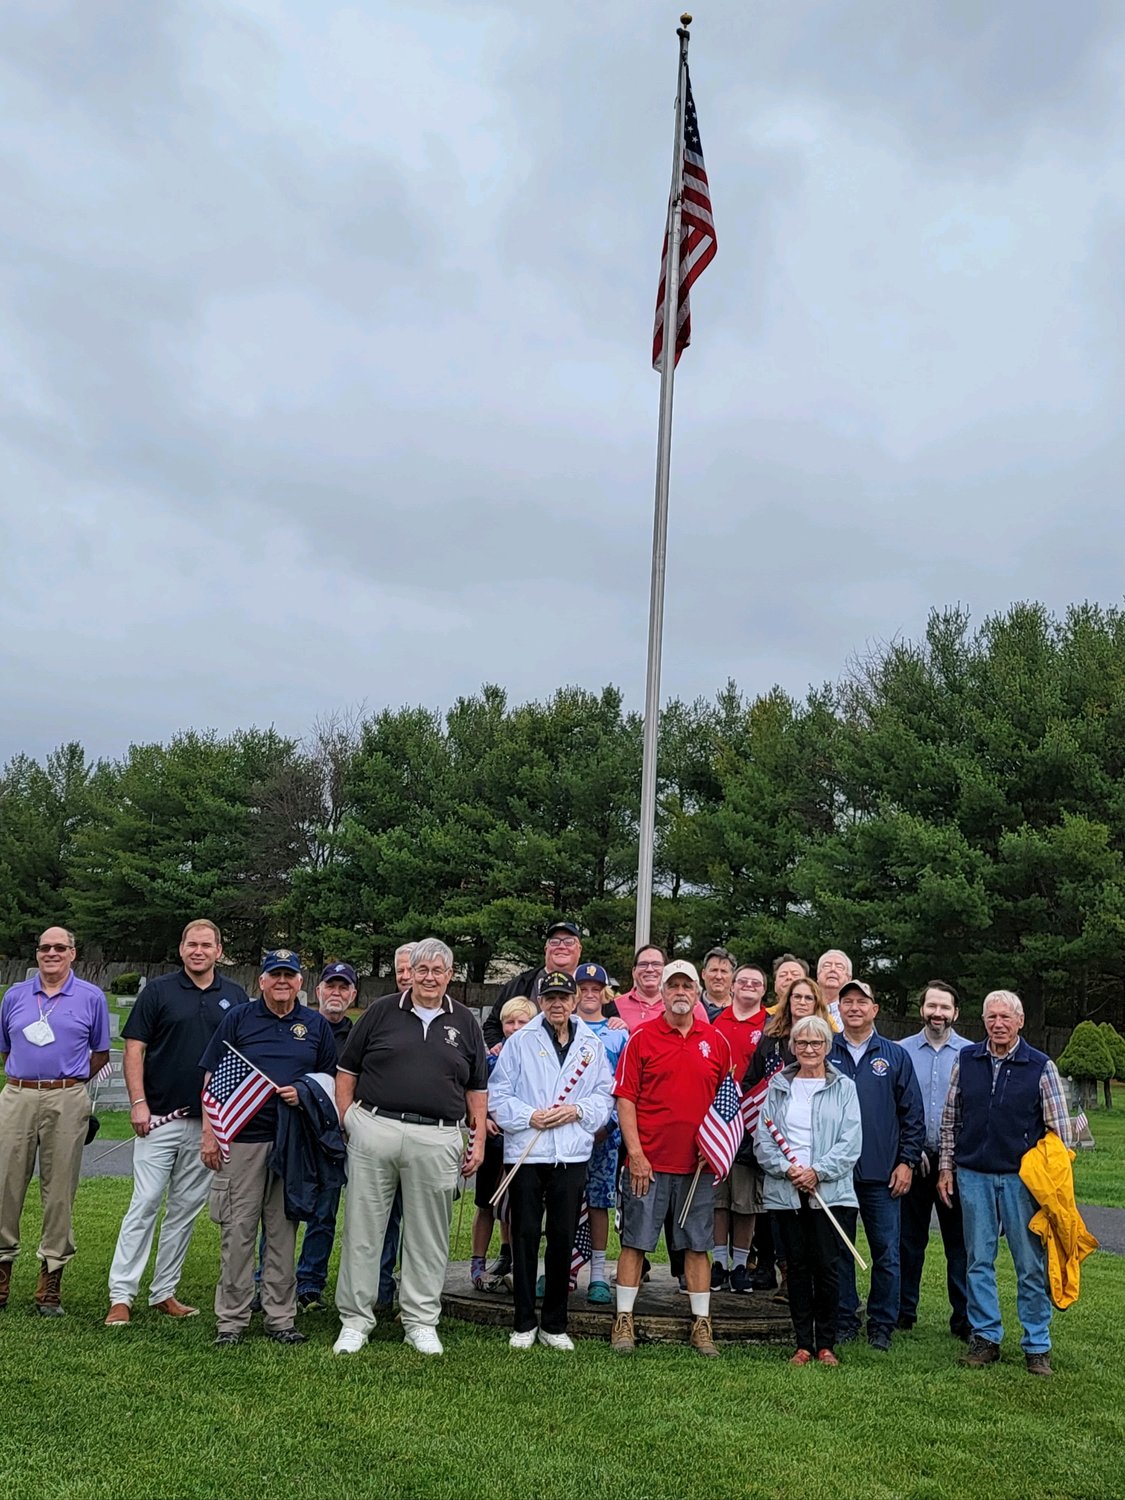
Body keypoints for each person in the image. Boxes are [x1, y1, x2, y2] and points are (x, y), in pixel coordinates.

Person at [332, 937, 488, 1357]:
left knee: (427, 1237)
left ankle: (420, 1321)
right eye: (422, 970)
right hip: (375, 1128)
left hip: (438, 1136)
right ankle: (355, 1321)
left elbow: (477, 1088)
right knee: (364, 1231)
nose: (429, 977)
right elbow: (346, 1071)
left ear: (450, 975)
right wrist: (350, 1121)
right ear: (410, 972)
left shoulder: (466, 1023)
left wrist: (478, 1140)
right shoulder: (382, 1011)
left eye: (438, 971)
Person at [105, 918, 249, 1326]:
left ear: (219, 951)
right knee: (146, 1202)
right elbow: (134, 1050)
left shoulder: (235, 996)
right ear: (181, 948)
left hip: (210, 1125)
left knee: (184, 1210)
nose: (198, 951)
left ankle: (163, 1291)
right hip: (159, 1118)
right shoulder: (158, 992)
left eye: (206, 945)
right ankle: (122, 1294)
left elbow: (240, 1058)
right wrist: (138, 1103)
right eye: (192, 944)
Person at [199, 949, 337, 1347]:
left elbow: (330, 1081)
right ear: (261, 981)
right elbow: (212, 1079)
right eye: (274, 975)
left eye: (289, 976)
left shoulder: (314, 1026)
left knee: (282, 1231)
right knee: (238, 1231)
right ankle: (231, 1320)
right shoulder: (239, 1018)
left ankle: (280, 1318)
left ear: (300, 983)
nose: (282, 982)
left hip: (294, 1143)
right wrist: (210, 1134)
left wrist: (306, 1092)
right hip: (242, 1140)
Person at [938, 990, 1072, 1376]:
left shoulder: (1040, 1065)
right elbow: (950, 1119)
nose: (998, 1024)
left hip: (1021, 1180)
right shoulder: (967, 1060)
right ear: (983, 1021)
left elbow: (1059, 1134)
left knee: (1030, 1264)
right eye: (991, 1017)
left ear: (1020, 1021)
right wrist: (947, 1169)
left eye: (1005, 1017)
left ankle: (1037, 1345)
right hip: (973, 1174)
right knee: (978, 1261)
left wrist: (1052, 1187)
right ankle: (986, 1338)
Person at [610, 960, 732, 1358]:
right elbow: (625, 1097)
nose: (680, 992)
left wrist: (714, 1148)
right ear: (661, 992)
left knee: (698, 1246)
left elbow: (724, 1105)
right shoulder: (641, 1037)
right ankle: (624, 1318)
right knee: (635, 1242)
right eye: (673, 986)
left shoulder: (715, 1042)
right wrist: (636, 1154)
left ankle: (701, 1323)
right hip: (647, 1164)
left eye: (687, 986)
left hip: (696, 1168)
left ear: (698, 993)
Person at [489, 972, 613, 1351]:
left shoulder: (591, 1044)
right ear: (540, 1001)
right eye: (550, 997)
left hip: (570, 1154)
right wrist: (530, 1116)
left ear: (575, 1000)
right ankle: (524, 1321)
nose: (557, 1004)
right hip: (528, 1152)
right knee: (525, 1236)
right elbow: (499, 1094)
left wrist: (576, 1110)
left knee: (561, 1238)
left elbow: (605, 1097)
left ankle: (555, 1323)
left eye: (564, 997)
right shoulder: (520, 1042)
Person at [0, 926, 110, 1316]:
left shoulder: (91, 998)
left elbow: (99, 1052)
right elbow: (6, 1048)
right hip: (18, 1093)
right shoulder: (15, 995)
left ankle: (50, 1280)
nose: (51, 953)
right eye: (45, 947)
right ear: (37, 953)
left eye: (59, 947)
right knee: (5, 1184)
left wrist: (69, 1081)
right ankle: (2, 1272)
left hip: (67, 1095)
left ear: (72, 954)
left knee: (59, 1188)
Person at [754, 1014, 861, 1366]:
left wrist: (818, 1172)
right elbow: (763, 1141)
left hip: (829, 1193)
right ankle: (802, 1342)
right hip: (786, 1192)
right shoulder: (778, 1087)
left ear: (827, 1047)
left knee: (828, 1269)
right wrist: (788, 1170)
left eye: (817, 1043)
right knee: (796, 1268)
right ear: (792, 1047)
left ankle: (826, 1343)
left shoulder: (843, 1087)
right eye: (802, 1043)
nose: (809, 1049)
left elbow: (850, 1143)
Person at [829, 979, 924, 1351]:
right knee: (839, 1250)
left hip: (882, 1174)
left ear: (874, 1009)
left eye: (861, 1001)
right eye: (847, 1001)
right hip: (836, 1173)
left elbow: (912, 1114)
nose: (854, 1007)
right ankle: (844, 1319)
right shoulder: (825, 1050)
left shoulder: (895, 1055)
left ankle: (882, 1323)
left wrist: (907, 1162)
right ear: (839, 1009)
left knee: (887, 1250)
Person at [743, 974, 835, 1293]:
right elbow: (751, 1080)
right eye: (795, 997)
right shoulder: (771, 1039)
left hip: (808, 1141)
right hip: (772, 1133)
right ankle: (769, 1266)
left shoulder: (824, 1039)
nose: (801, 1003)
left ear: (816, 1003)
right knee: (772, 1210)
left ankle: (798, 1274)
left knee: (805, 1214)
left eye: (808, 998)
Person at [898, 981, 971, 1340]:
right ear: (921, 1009)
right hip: (913, 1159)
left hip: (955, 1164)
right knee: (908, 1241)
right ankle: (902, 1312)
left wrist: (952, 1161)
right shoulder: (902, 1052)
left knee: (958, 1244)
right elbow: (892, 1108)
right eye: (931, 1006)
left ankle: (963, 1320)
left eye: (944, 1008)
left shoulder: (972, 1054)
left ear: (956, 1013)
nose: (937, 1014)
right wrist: (908, 1155)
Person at [294, 962, 358, 1313]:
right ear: (318, 990)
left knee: (324, 1213)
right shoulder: (301, 1026)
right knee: (281, 1210)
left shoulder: (358, 1036)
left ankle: (309, 1285)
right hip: (297, 1130)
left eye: (343, 988)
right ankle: (266, 1281)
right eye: (330, 986)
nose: (336, 993)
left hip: (335, 1137)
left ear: (352, 995)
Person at [709, 963, 769, 1292]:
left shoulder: (771, 1025)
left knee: (745, 1200)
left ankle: (741, 1264)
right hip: (719, 1119)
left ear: (763, 990)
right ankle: (718, 1261)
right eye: (742, 981)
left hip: (752, 1122)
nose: (748, 985)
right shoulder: (717, 1021)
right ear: (732, 986)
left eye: (756, 982)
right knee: (719, 1198)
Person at [470, 996, 535, 1289]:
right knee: (485, 1202)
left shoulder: (538, 1058)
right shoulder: (492, 1057)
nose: (516, 1027)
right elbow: (476, 1092)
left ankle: (511, 1257)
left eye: (523, 1022)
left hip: (523, 1141)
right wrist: (482, 1119)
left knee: (516, 1204)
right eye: (510, 1022)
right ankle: (477, 1264)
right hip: (495, 1140)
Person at [572, 963, 628, 1302]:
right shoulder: (563, 1026)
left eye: (597, 988)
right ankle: (558, 1268)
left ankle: (596, 1274)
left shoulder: (618, 1033)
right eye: (584, 987)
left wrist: (610, 1126)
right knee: (561, 1201)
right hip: (565, 1130)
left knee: (598, 1202)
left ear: (605, 993)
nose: (590, 994)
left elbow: (624, 1087)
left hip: (605, 1134)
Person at [483, 922, 583, 1046]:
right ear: (546, 949)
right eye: (554, 941)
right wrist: (497, 1045)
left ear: (579, 950)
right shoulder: (519, 984)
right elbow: (492, 1025)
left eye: (569, 942)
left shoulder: (594, 988)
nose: (561, 946)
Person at [613, 945, 710, 1033]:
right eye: (643, 964)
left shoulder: (693, 1006)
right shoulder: (615, 1005)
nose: (650, 969)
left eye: (656, 964)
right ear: (634, 972)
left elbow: (705, 1041)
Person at [816, 950, 852, 1029]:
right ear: (818, 976)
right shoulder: (806, 1007)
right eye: (827, 966)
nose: (832, 969)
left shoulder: (856, 1013)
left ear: (849, 978)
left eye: (839, 967)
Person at [699, 947, 737, 1018]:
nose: (718, 977)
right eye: (714, 970)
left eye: (724, 971)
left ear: (733, 977)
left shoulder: (745, 1009)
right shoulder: (692, 1008)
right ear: (703, 974)